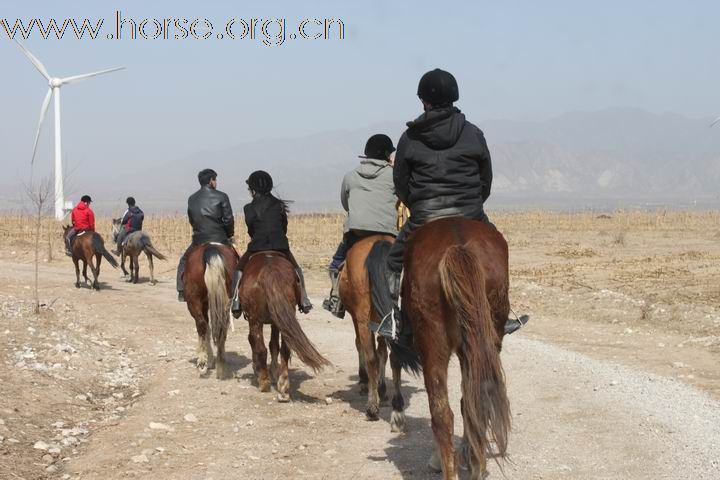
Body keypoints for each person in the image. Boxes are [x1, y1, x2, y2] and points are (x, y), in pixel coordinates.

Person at [376, 68, 521, 343]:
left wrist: (417, 205)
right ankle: (502, 314)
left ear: (423, 101)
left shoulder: (410, 138)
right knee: (498, 246)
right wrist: (472, 205)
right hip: (471, 211)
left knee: (393, 261)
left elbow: (401, 182)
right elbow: (485, 178)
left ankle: (394, 318)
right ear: (454, 97)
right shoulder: (474, 132)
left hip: (425, 216)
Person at [322, 134, 399, 316]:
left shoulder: (350, 176)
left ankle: (336, 300)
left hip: (357, 232)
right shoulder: (394, 175)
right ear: (387, 154)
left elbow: (345, 202)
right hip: (388, 231)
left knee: (335, 264)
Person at [230, 170, 312, 317]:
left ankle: (236, 301)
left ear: (253, 190)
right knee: (296, 269)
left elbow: (251, 230)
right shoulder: (279, 205)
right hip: (280, 245)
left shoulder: (248, 208)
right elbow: (283, 227)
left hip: (257, 247)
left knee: (239, 268)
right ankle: (304, 299)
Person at [176, 169, 235, 302]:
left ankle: (181, 290)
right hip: (220, 238)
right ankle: (237, 295)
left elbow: (192, 220)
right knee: (238, 261)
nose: (216, 182)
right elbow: (228, 219)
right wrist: (229, 234)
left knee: (184, 261)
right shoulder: (222, 196)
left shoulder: (191, 198)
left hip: (199, 240)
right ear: (211, 181)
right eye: (215, 180)